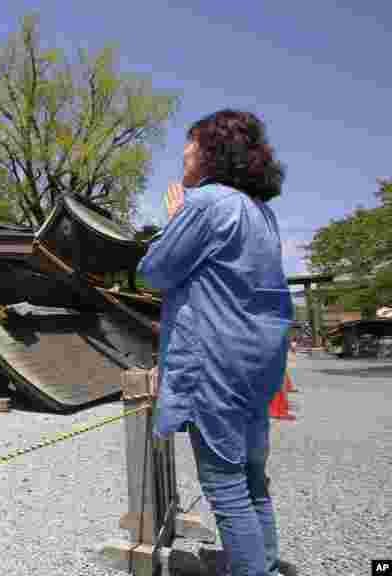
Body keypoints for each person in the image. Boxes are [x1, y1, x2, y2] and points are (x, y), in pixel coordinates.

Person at [137, 109, 293, 576]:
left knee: (224, 484)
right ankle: (262, 565)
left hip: (216, 362)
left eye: (189, 142)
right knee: (252, 479)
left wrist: (176, 219)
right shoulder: (260, 212)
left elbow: (153, 272)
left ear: (212, 150)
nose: (182, 151)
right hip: (256, 362)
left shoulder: (205, 203)